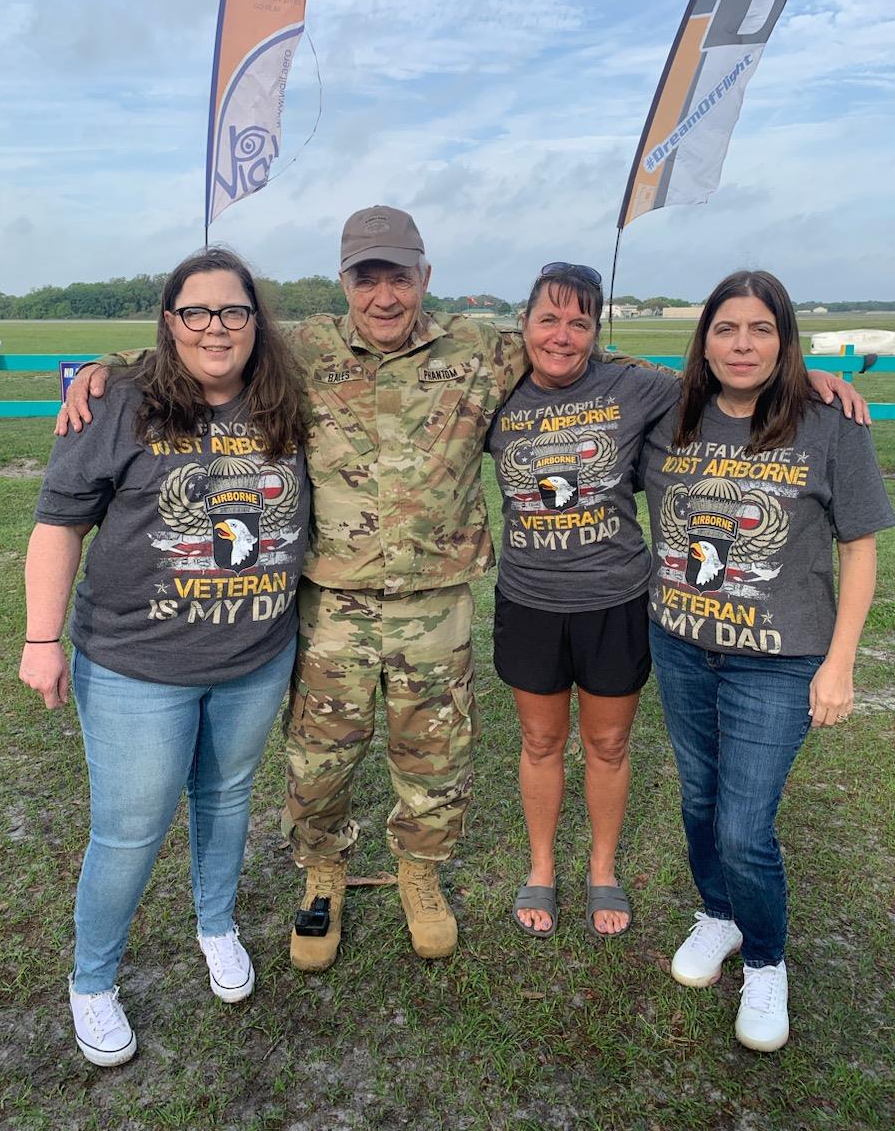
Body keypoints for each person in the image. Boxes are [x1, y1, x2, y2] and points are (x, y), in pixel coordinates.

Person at [61, 212, 867, 974]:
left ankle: (420, 874)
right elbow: (205, 339)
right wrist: (105, 371)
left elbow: (615, 361)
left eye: (400, 278)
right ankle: (322, 878)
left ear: (425, 276)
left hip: (438, 603)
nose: (385, 295)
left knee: (434, 756)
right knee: (319, 757)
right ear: (344, 280)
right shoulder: (293, 347)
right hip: (333, 601)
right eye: (367, 278)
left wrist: (805, 375)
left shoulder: (485, 349)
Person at [20, 248, 309, 1066]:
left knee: (225, 799)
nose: (216, 328)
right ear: (170, 321)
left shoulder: (286, 400)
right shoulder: (120, 403)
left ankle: (215, 926)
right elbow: (58, 525)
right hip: (136, 669)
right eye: (196, 312)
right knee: (130, 830)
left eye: (234, 312)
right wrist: (42, 639)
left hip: (254, 658)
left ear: (258, 321)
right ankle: (93, 979)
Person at [642, 270, 893, 1052]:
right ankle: (716, 914)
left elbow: (858, 548)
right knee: (698, 799)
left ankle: (766, 958)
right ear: (704, 339)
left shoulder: (830, 423)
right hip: (682, 643)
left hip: (780, 660)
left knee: (745, 825)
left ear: (784, 339)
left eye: (760, 330)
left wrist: (841, 663)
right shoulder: (669, 412)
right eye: (726, 329)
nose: (742, 345)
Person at [487, 263, 680, 939]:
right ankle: (541, 866)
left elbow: (730, 384)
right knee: (541, 739)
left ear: (596, 331)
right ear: (525, 321)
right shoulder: (496, 390)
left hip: (614, 598)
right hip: (530, 599)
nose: (562, 336)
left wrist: (815, 378)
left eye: (579, 322)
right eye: (550, 318)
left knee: (609, 741)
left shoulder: (636, 383)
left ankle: (603, 870)